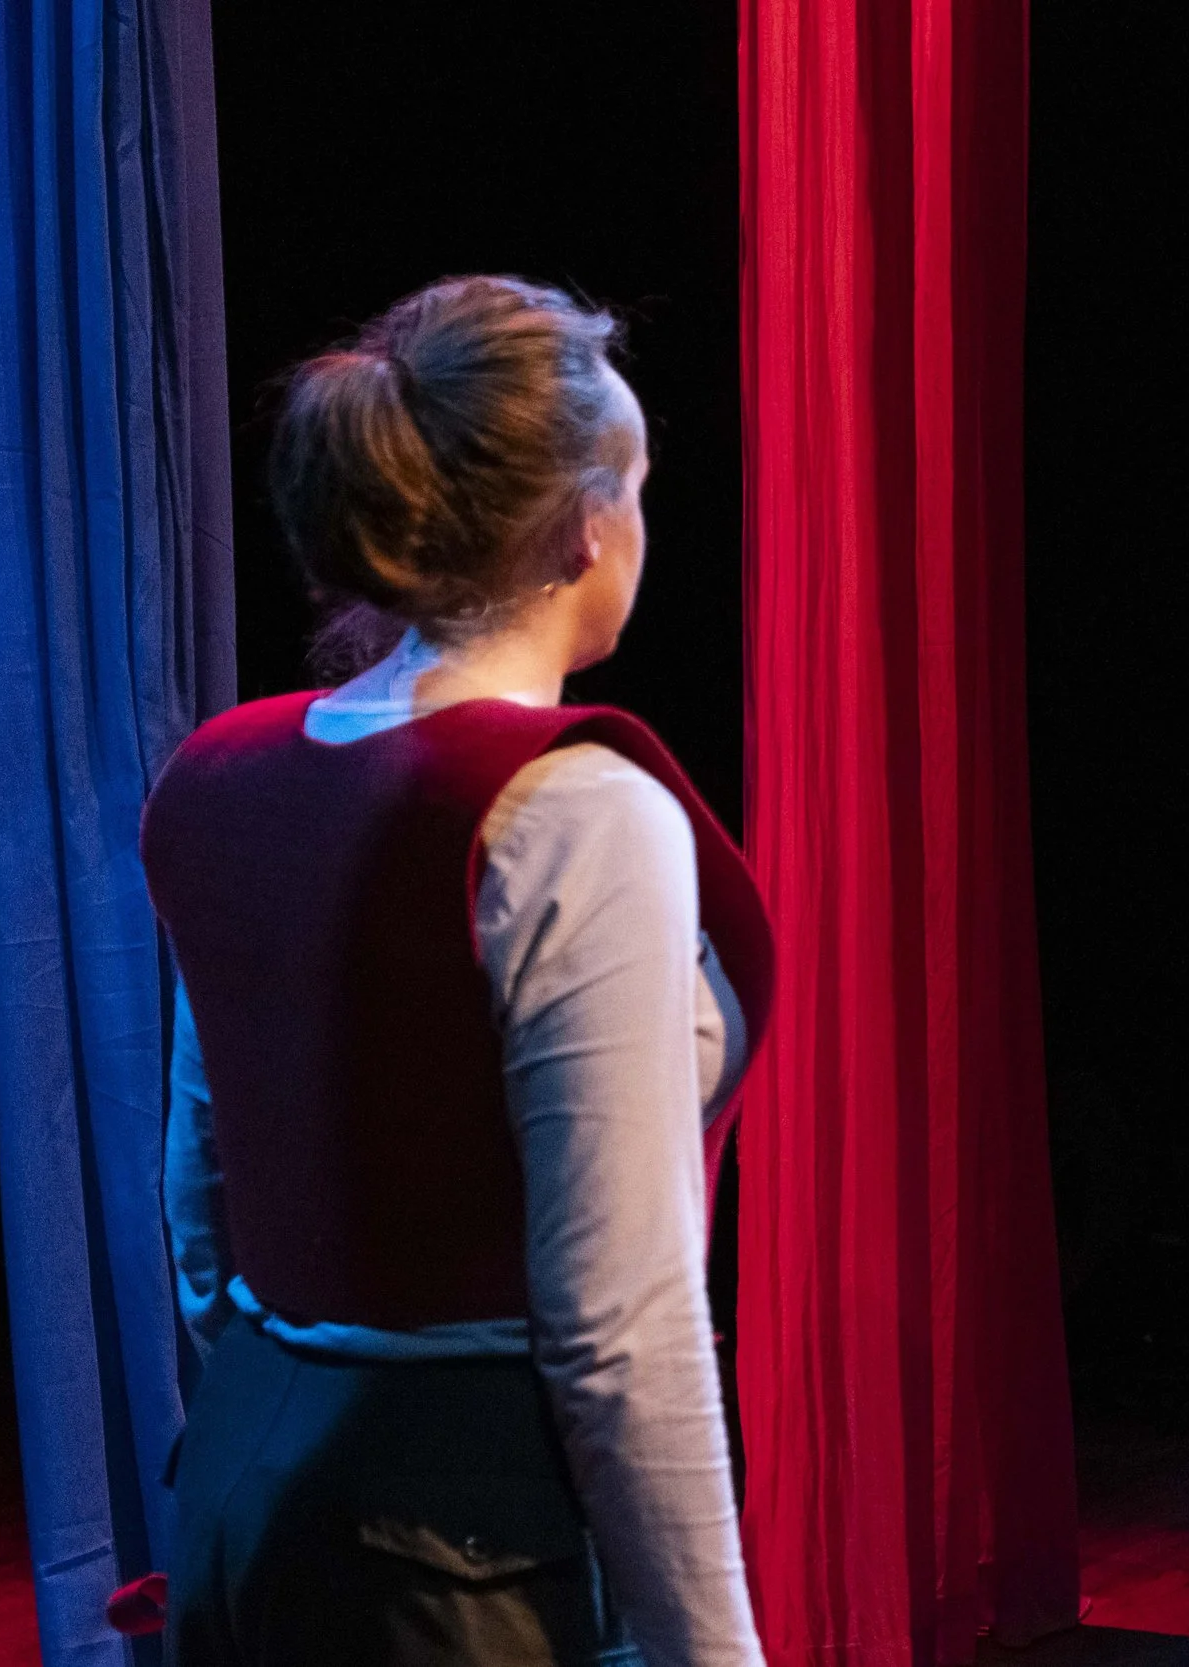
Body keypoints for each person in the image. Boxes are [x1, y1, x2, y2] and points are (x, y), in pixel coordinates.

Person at [142, 276, 771, 1667]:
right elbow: (618, 1318)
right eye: (639, 486)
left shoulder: (222, 772)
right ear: (580, 528)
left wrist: (273, 1413)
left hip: (245, 1491)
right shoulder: (572, 811)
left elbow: (200, 1194)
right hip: (460, 1544)